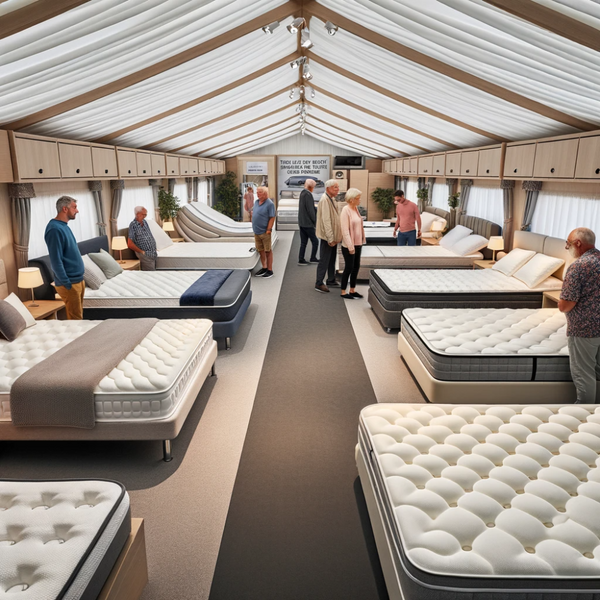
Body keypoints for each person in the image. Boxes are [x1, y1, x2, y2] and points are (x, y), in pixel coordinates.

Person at [558, 227, 600, 404]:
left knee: (584, 373)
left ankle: (584, 409)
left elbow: (566, 305)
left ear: (578, 243)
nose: (567, 248)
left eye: (568, 244)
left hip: (584, 329)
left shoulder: (579, 266)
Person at [44, 196, 85, 320]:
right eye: (74, 207)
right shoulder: (54, 229)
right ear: (64, 209)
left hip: (78, 280)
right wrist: (66, 283)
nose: (77, 210)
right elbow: (56, 260)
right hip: (70, 283)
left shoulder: (63, 226)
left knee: (78, 318)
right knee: (76, 320)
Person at [315, 180, 342, 293]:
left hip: (333, 236)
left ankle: (331, 279)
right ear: (328, 189)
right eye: (335, 187)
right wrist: (330, 238)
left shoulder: (332, 199)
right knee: (325, 259)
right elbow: (326, 221)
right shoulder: (325, 200)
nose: (337, 189)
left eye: (337, 187)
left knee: (331, 259)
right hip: (327, 237)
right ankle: (319, 283)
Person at [340, 188, 366, 299]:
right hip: (349, 245)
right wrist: (350, 247)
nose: (359, 200)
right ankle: (343, 291)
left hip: (358, 243)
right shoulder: (345, 210)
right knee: (349, 268)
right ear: (351, 199)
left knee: (356, 267)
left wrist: (361, 241)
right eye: (358, 198)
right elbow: (345, 230)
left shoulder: (355, 209)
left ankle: (352, 290)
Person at [252, 186, 276, 278]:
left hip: (265, 232)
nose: (257, 194)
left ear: (265, 194)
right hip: (256, 232)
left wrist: (269, 229)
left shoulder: (269, 204)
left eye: (259, 192)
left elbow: (272, 217)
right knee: (260, 250)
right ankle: (264, 267)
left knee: (268, 251)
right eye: (257, 192)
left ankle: (270, 270)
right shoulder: (257, 202)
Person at [127, 206, 157, 271]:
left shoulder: (145, 222)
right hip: (145, 254)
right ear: (137, 214)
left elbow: (149, 234)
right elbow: (130, 244)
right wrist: (142, 252)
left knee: (153, 274)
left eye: (146, 214)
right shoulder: (133, 225)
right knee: (150, 275)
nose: (145, 216)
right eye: (143, 214)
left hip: (152, 253)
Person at [298, 178, 319, 265]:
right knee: (315, 241)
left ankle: (301, 259)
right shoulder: (308, 195)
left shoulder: (302, 193)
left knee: (303, 242)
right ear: (311, 187)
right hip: (308, 223)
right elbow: (310, 210)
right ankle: (313, 258)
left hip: (302, 222)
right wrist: (315, 221)